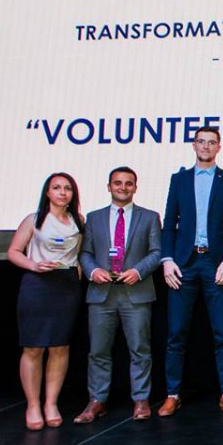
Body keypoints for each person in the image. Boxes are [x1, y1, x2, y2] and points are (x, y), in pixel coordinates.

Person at [159, 126, 223, 417]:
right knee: (176, 333)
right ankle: (172, 394)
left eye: (211, 142)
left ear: (219, 147)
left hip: (215, 264)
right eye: (201, 141)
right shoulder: (179, 179)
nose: (206, 146)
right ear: (194, 145)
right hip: (183, 264)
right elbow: (169, 223)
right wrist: (167, 259)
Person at [73, 167, 162, 424]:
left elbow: (156, 252)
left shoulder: (150, 217)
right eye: (118, 183)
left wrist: (138, 271)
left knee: (140, 349)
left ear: (135, 187)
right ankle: (97, 400)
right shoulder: (94, 218)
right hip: (101, 293)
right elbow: (85, 253)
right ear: (109, 186)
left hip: (137, 292)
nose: (123, 187)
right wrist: (93, 271)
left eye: (128, 183)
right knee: (98, 351)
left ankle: (141, 399)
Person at [7, 172, 85, 430]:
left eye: (67, 188)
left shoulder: (79, 220)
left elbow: (80, 255)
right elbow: (13, 252)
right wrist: (34, 265)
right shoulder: (34, 219)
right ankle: (32, 405)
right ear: (47, 192)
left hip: (66, 287)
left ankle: (51, 403)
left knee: (60, 347)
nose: (63, 192)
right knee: (33, 347)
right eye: (57, 187)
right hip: (37, 284)